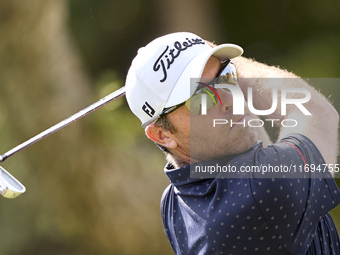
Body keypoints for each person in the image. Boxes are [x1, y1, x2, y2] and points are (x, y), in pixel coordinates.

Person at [125, 32, 340, 255]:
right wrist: (231, 62)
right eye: (200, 97)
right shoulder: (261, 190)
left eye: (226, 76)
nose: (231, 99)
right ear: (162, 135)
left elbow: (255, 148)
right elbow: (318, 114)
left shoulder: (173, 202)